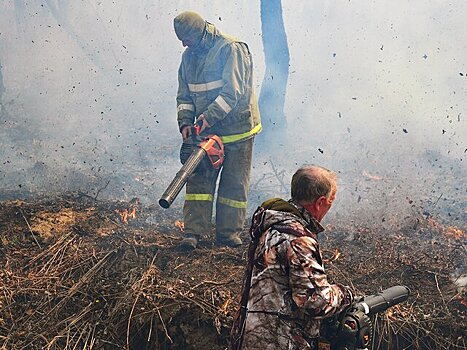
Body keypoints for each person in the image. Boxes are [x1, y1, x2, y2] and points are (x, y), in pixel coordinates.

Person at [231, 165, 354, 350]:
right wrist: (345, 295)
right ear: (320, 202)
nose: (329, 207)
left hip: (249, 336)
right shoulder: (298, 239)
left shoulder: (271, 226)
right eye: (330, 201)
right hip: (278, 341)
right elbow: (315, 301)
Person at [173, 11, 261, 249]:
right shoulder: (188, 57)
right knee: (198, 182)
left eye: (186, 38)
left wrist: (205, 120)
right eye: (180, 39)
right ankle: (192, 233)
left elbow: (231, 94)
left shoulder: (230, 49)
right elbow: (184, 96)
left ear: (201, 32)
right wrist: (185, 122)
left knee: (233, 184)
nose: (183, 44)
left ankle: (228, 233)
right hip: (205, 131)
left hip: (237, 130)